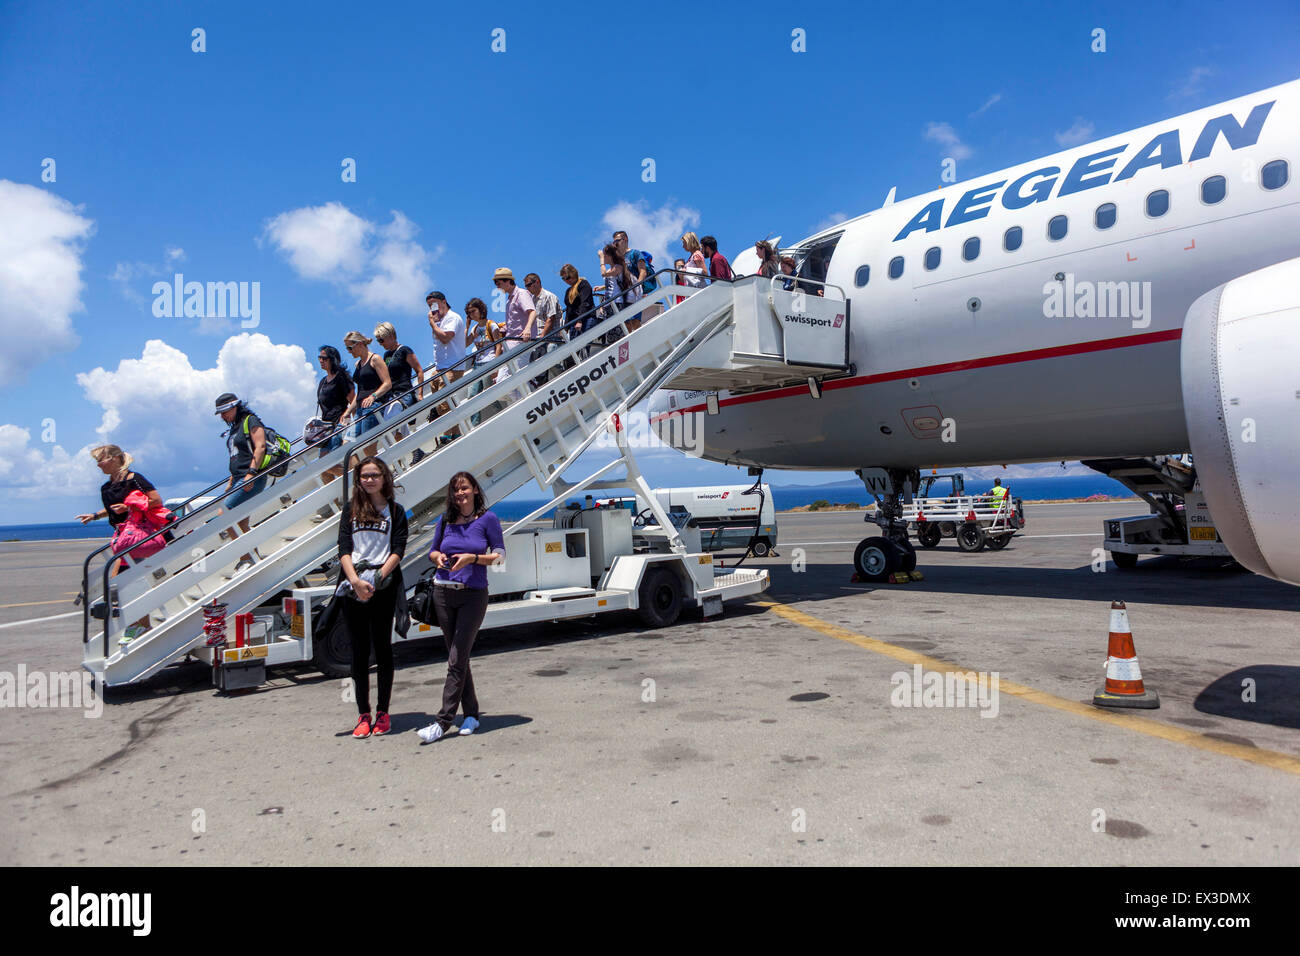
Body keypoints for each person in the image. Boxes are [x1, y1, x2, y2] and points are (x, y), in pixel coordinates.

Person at [417, 471, 503, 743]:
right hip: (443, 593)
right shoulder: (446, 520)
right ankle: (472, 715)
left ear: (475, 490)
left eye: (464, 488)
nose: (460, 493)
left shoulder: (488, 519)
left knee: (455, 659)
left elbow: (499, 557)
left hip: (473, 596)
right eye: (455, 489)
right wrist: (438, 556)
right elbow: (432, 551)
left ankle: (442, 722)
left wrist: (472, 559)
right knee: (459, 658)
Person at [336, 456, 408, 738]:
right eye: (364, 476)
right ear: (358, 480)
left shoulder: (395, 510)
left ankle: (383, 712)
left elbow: (399, 548)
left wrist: (377, 579)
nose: (369, 480)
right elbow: (343, 546)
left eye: (374, 475)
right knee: (359, 652)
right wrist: (354, 580)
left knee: (383, 648)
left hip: (383, 585)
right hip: (354, 586)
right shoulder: (350, 509)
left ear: (384, 478)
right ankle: (363, 714)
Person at [215, 393, 270, 570]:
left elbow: (260, 446)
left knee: (225, 514)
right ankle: (249, 556)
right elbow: (237, 456)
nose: (223, 416)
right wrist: (231, 481)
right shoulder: (234, 428)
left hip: (251, 476)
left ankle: (249, 556)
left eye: (225, 412)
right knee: (241, 522)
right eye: (221, 413)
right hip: (239, 477)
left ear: (235, 406)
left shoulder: (250, 421)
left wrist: (251, 473)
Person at [341, 331, 393, 461]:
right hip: (359, 409)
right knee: (347, 444)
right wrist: (348, 411)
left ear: (358, 344)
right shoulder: (357, 365)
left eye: (350, 348)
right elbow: (360, 391)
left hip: (372, 407)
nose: (349, 351)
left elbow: (387, 383)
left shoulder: (375, 359)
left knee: (368, 446)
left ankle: (381, 471)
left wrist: (373, 396)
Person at [464, 297, 503, 428]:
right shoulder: (474, 328)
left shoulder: (491, 325)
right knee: (472, 395)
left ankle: (501, 416)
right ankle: (474, 425)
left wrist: (496, 366)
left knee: (489, 394)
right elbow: (465, 344)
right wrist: (467, 326)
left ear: (481, 310)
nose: (471, 314)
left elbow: (499, 345)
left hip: (489, 362)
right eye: (469, 313)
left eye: (473, 311)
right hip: (478, 364)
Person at [493, 267, 536, 375]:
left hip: (521, 341)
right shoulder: (509, 300)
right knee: (506, 377)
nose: (497, 286)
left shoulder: (521, 294)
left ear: (508, 281)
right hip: (511, 342)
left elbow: (532, 312)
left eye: (498, 282)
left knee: (507, 377)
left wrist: (527, 329)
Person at [523, 272, 563, 384]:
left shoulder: (549, 296)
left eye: (529, 284)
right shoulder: (532, 300)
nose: (528, 288)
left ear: (537, 282)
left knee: (552, 361)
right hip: (538, 339)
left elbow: (551, 318)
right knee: (535, 368)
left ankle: (565, 381)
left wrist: (542, 336)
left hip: (551, 337)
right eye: (526, 286)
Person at [614, 230, 658, 326]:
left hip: (634, 293)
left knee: (634, 321)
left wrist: (637, 288)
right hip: (623, 294)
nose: (615, 244)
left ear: (625, 239)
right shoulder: (618, 258)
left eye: (617, 241)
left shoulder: (635, 253)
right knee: (625, 323)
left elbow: (643, 271)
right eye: (614, 242)